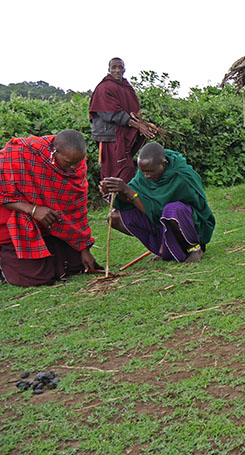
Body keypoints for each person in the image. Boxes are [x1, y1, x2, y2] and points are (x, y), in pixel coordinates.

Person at [0, 130, 98, 286]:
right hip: (18, 220)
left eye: (77, 162)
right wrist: (33, 210)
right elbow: (3, 193)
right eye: (69, 162)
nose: (74, 168)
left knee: (75, 266)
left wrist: (84, 248)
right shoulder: (21, 154)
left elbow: (76, 209)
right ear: (54, 152)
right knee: (38, 277)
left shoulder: (76, 165)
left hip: (51, 224)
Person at [100, 142, 215, 263]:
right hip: (161, 222)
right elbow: (133, 199)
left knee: (172, 210)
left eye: (150, 171)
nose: (146, 176)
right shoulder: (145, 172)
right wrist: (116, 191)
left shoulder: (182, 176)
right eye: (143, 172)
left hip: (191, 224)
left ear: (163, 164)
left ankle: (194, 248)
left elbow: (156, 210)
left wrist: (128, 191)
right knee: (114, 217)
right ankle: (166, 247)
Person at [89, 58, 156, 183]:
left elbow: (132, 111)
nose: (117, 70)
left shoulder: (126, 87)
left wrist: (145, 124)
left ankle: (122, 199)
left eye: (120, 67)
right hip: (109, 136)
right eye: (114, 67)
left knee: (126, 168)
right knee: (119, 169)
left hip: (123, 135)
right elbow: (114, 113)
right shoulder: (104, 88)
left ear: (124, 70)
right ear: (109, 70)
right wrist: (138, 126)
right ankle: (112, 197)